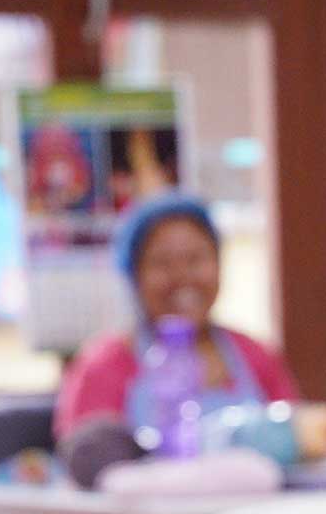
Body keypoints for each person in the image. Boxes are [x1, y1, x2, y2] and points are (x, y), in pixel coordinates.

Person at [53, 190, 299, 443]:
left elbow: (300, 441)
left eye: (195, 259)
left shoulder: (256, 357)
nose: (182, 276)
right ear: (134, 275)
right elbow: (83, 460)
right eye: (161, 262)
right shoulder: (103, 366)